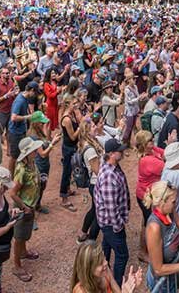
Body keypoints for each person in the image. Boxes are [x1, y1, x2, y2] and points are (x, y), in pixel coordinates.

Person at [93, 139, 129, 286]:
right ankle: (116, 285)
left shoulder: (110, 166)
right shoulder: (109, 176)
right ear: (112, 154)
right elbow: (111, 208)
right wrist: (119, 226)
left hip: (106, 222)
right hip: (111, 223)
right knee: (122, 255)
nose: (123, 152)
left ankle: (101, 280)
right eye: (120, 151)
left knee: (106, 248)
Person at [6, 137, 43, 282]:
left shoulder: (32, 163)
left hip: (30, 206)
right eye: (33, 150)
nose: (36, 151)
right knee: (19, 237)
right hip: (23, 208)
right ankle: (17, 266)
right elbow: (12, 193)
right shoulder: (21, 170)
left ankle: (24, 252)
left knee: (25, 233)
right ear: (27, 153)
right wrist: (24, 207)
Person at [68, 241, 144, 293]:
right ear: (88, 269)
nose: (106, 262)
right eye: (99, 263)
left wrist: (130, 286)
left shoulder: (105, 272)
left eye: (103, 257)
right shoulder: (80, 290)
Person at [76, 121, 103, 244]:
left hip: (94, 184)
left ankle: (83, 232)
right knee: (99, 213)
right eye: (92, 126)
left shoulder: (90, 143)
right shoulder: (90, 150)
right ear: (87, 131)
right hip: (97, 183)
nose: (95, 127)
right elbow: (98, 171)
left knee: (94, 209)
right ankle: (91, 240)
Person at [132, 131, 163, 228]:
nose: (153, 140)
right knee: (152, 224)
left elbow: (165, 153)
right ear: (144, 145)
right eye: (150, 140)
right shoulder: (147, 160)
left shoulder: (151, 149)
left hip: (145, 193)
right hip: (146, 196)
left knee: (147, 221)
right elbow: (167, 168)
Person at [5, 83, 37, 173]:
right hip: (15, 132)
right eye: (35, 93)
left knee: (21, 153)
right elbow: (13, 117)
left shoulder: (24, 97)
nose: (35, 95)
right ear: (31, 90)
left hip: (21, 130)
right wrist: (27, 117)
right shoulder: (20, 101)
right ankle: (10, 175)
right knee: (14, 156)